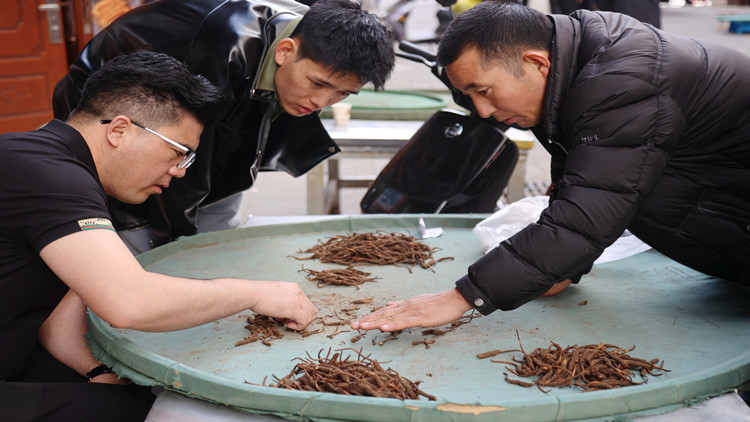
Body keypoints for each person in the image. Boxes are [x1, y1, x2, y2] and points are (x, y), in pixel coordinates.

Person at [352, 1, 750, 332]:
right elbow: (584, 178)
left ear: (536, 63)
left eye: (484, 91)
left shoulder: (622, 82)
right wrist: (562, 267)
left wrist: (462, 296)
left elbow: (588, 213)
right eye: (468, 96)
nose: (483, 110)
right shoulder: (579, 64)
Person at [1, 50, 317, 421]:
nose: (181, 171)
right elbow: (129, 302)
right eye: (179, 152)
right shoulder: (51, 177)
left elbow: (53, 313)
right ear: (119, 130)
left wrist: (97, 370)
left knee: (147, 394)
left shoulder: (42, 159)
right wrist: (256, 292)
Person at [53, 0, 395, 254]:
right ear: (285, 51)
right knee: (143, 240)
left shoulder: (309, 38)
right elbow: (184, 155)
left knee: (218, 214)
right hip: (117, 114)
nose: (323, 101)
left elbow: (226, 153)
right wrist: (176, 246)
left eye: (342, 94)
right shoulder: (223, 46)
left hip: (200, 115)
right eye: (317, 84)